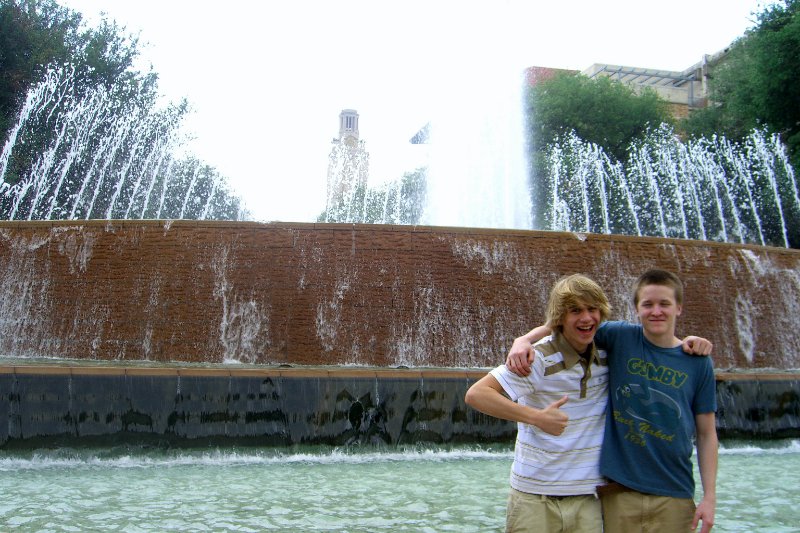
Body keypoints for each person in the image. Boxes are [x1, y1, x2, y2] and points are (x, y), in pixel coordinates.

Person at [507, 269, 717, 533]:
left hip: (674, 491)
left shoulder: (698, 361)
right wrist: (524, 339)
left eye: (665, 304)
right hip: (619, 492)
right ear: (636, 309)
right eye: (647, 304)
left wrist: (709, 497)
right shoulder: (619, 336)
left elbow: (707, 433)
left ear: (679, 308)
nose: (656, 311)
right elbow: (566, 321)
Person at [465, 274, 612, 533]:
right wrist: (536, 417)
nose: (587, 318)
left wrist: (692, 346)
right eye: (575, 310)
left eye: (592, 309)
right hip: (535, 496)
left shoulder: (609, 349)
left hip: (589, 496)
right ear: (560, 317)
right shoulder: (538, 358)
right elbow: (477, 394)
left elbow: (655, 335)